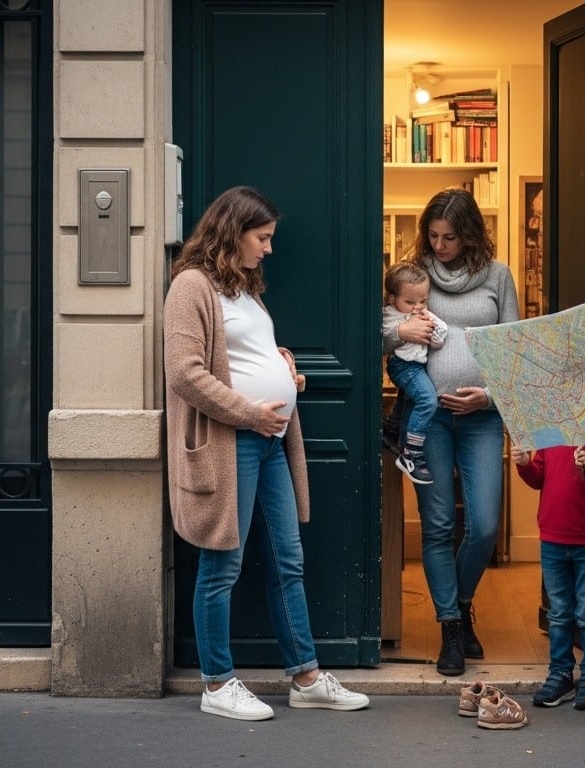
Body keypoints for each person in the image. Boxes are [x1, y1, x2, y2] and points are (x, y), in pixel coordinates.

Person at [164, 185, 369, 721]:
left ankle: (305, 677)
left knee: (288, 562)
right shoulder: (191, 286)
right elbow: (185, 373)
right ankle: (217, 684)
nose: (269, 248)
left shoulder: (244, 290)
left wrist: (283, 369)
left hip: (271, 443)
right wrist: (251, 411)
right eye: (263, 237)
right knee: (221, 564)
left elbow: (243, 355)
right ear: (234, 233)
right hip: (233, 443)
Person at [382, 187, 519, 676]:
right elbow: (379, 327)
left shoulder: (498, 277)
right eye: (434, 236)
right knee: (438, 525)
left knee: (483, 525)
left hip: (482, 417)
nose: (440, 246)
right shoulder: (414, 272)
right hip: (431, 419)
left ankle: (462, 602)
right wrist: (401, 332)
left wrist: (489, 396)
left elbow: (513, 350)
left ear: (470, 234)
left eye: (451, 237)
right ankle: (451, 629)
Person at [510, 442, 585, 711]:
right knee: (558, 613)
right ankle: (560, 673)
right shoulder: (549, 436)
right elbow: (537, 478)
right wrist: (523, 463)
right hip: (552, 537)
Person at [382, 261, 448, 485]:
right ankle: (411, 453)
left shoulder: (423, 314)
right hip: (404, 365)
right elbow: (380, 336)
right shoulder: (390, 315)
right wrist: (404, 329)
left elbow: (438, 341)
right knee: (427, 401)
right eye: (409, 302)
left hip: (418, 365)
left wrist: (432, 324)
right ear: (392, 298)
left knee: (407, 398)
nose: (416, 306)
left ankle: (392, 429)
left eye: (423, 300)